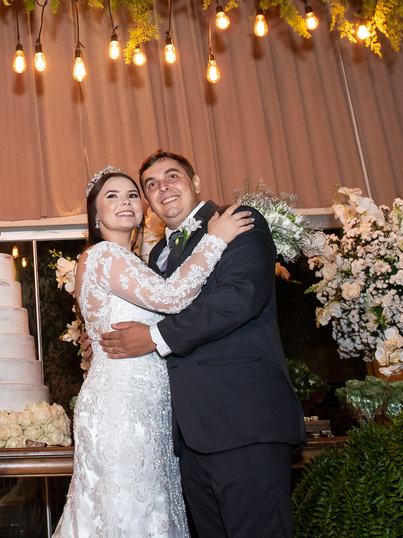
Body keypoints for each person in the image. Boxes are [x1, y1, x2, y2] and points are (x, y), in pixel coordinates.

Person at [100, 150, 306, 538]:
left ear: (195, 182)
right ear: (149, 202)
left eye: (172, 176)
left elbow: (240, 297)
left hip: (243, 420)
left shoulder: (237, 220)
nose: (163, 187)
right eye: (151, 184)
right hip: (189, 435)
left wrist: (154, 337)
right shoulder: (157, 255)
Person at [52, 166, 253, 538]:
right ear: (95, 213)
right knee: (128, 514)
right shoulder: (104, 255)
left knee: (149, 512)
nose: (126, 202)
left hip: (144, 404)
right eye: (112, 196)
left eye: (132, 195)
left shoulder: (127, 261)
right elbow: (171, 297)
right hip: (123, 407)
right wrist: (215, 239)